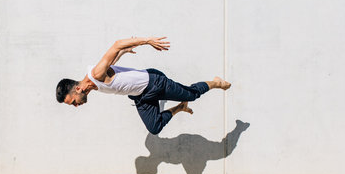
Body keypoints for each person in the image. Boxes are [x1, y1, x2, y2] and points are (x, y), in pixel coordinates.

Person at [56, 36, 231, 135]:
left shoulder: (95, 74)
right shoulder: (93, 83)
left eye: (73, 102)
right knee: (154, 128)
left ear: (78, 89)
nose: (76, 105)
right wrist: (123, 52)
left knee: (191, 94)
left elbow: (116, 44)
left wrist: (147, 41)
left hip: (155, 83)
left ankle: (216, 82)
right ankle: (179, 108)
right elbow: (114, 61)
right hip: (141, 96)